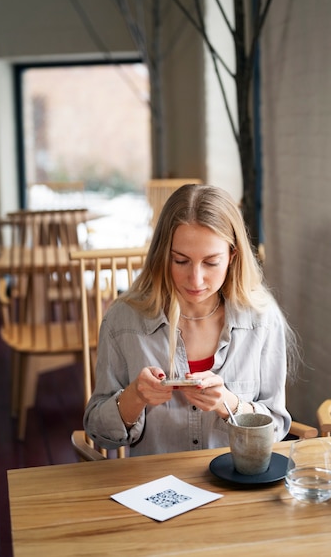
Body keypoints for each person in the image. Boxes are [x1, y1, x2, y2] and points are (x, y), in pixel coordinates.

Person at [84, 184, 299, 455]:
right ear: (163, 256)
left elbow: (276, 429)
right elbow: (99, 433)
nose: (196, 279)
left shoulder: (262, 319)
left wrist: (229, 405)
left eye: (211, 262)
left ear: (233, 256)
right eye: (181, 261)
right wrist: (135, 396)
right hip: (155, 488)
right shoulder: (123, 321)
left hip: (236, 486)